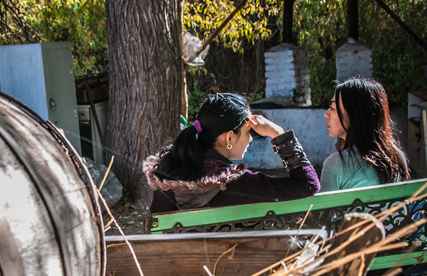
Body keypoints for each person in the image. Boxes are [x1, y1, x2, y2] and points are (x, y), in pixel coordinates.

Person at [143, 92, 320, 213]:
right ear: (229, 138)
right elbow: (308, 184)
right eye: (248, 132)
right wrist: (278, 134)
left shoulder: (165, 175)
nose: (251, 138)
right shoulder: (232, 183)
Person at [320, 76, 410, 192]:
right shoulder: (397, 157)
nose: (326, 114)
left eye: (333, 108)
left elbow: (322, 210)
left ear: (354, 114)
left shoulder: (336, 164)